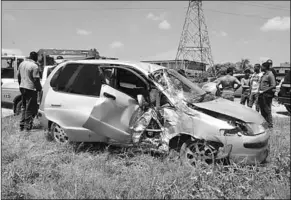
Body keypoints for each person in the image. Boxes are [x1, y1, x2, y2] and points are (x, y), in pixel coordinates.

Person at [17, 51, 42, 132]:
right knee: (30, 107)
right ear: (35, 57)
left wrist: (20, 84)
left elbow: (18, 76)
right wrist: (39, 88)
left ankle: (22, 125)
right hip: (30, 88)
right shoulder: (35, 66)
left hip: (22, 87)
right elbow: (36, 79)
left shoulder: (22, 63)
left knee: (24, 106)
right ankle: (27, 126)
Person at [258, 59, 276, 128]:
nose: (261, 68)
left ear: (265, 67)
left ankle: (270, 125)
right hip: (261, 95)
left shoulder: (270, 74)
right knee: (262, 110)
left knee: (267, 110)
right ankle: (265, 124)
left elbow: (273, 85)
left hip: (267, 95)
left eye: (262, 67)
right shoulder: (264, 74)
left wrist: (263, 91)